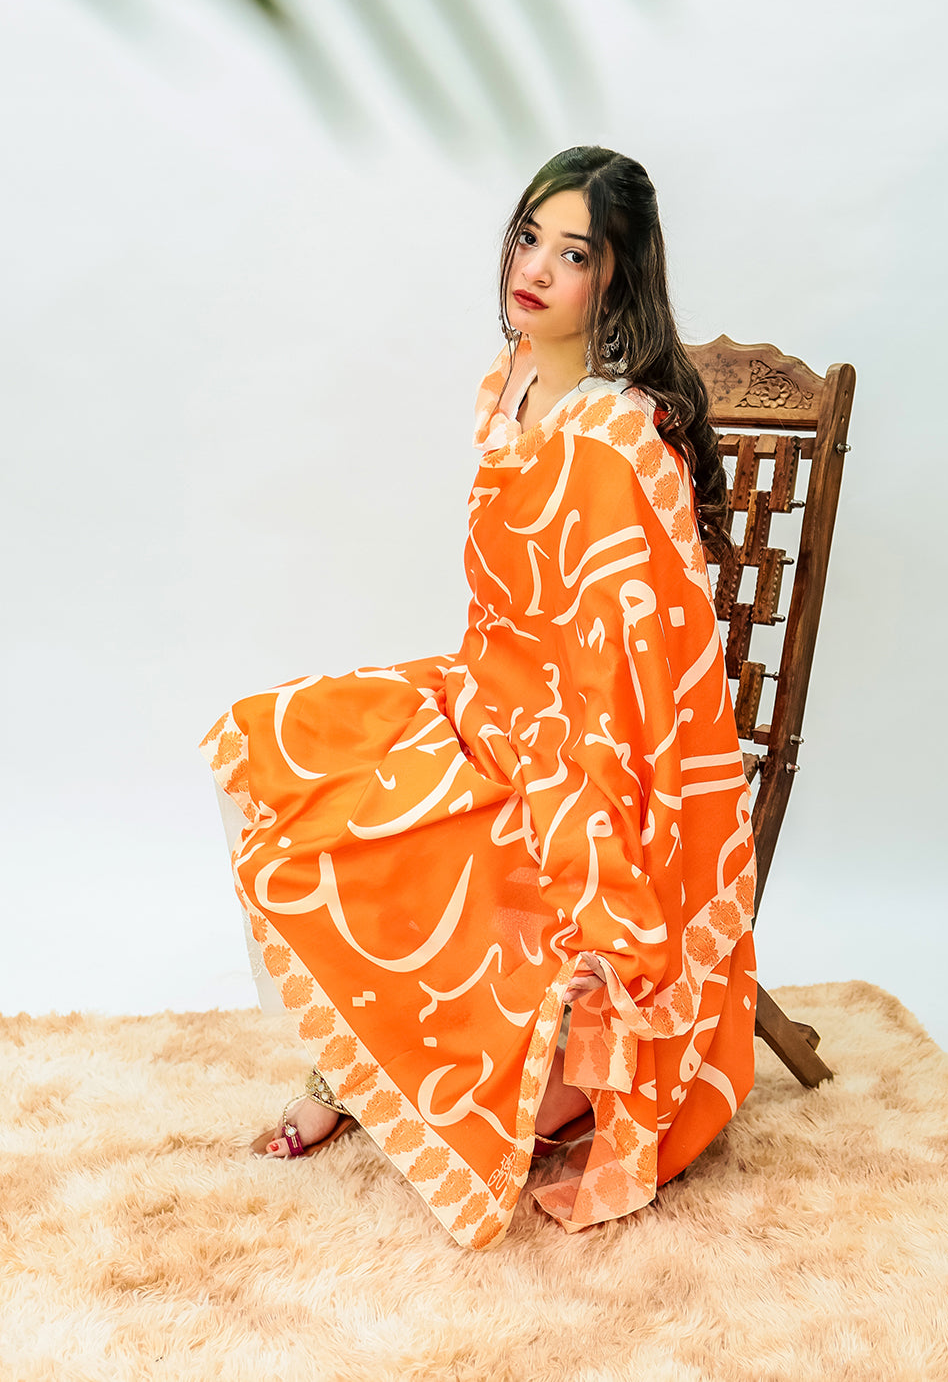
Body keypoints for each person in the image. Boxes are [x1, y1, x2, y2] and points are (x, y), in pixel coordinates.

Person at [202, 145, 757, 1250]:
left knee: (418, 822)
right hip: (486, 693)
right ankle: (360, 1059)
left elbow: (637, 654)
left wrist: (555, 759)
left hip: (584, 740)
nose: (536, 268)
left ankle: (406, 1078)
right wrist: (485, 707)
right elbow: (506, 607)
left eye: (575, 253)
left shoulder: (617, 437)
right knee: (274, 739)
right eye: (528, 238)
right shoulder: (503, 387)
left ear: (619, 278)